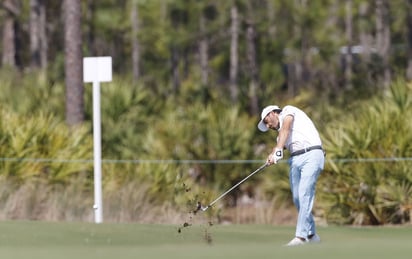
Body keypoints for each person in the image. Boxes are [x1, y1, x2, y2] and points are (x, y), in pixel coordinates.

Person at [257, 105, 325, 246]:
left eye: (266, 121)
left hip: (312, 154)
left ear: (272, 113)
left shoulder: (288, 111)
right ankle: (311, 234)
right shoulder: (280, 137)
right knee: (297, 198)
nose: (268, 125)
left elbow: (286, 127)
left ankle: (300, 237)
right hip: (295, 159)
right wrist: (272, 155)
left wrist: (279, 150)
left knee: (304, 193)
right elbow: (280, 143)